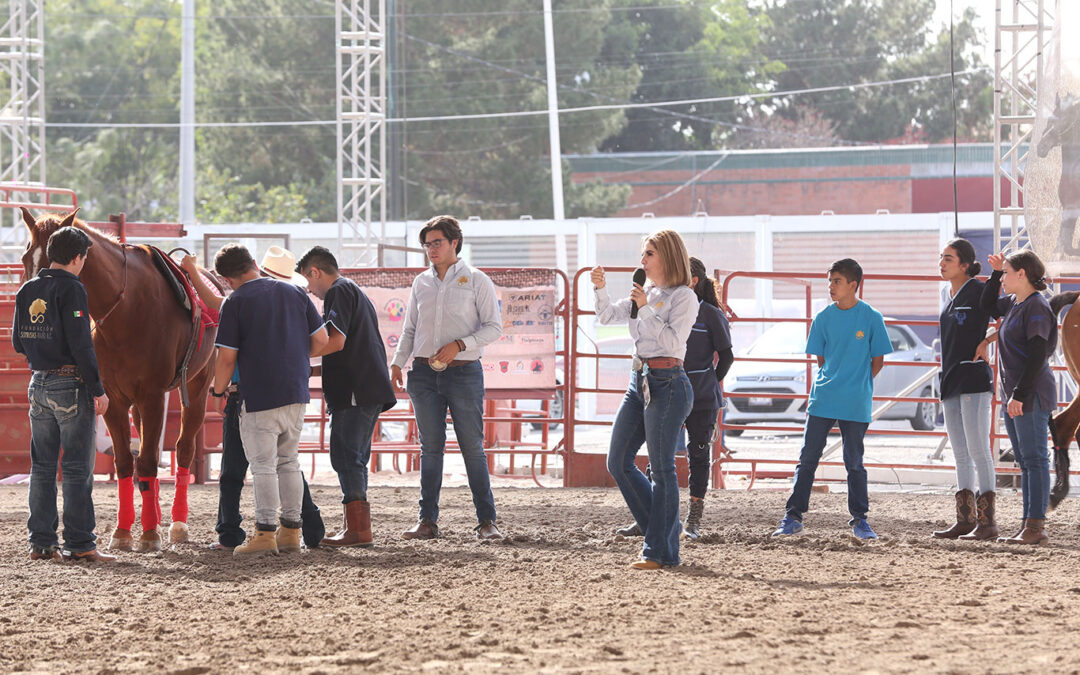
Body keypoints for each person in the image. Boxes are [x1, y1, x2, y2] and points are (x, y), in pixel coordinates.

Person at [181, 248, 326, 551]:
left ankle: (264, 534)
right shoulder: (296, 293)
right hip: (295, 392)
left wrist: (218, 391)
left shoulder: (237, 301)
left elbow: (226, 359)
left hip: (259, 395)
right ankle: (291, 532)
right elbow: (322, 340)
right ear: (256, 265)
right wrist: (289, 355)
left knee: (262, 466)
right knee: (288, 462)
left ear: (228, 279)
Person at [390, 215, 504, 541]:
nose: (431, 249)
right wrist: (398, 363)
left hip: (465, 371)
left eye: (437, 242)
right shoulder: (421, 282)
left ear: (455, 242)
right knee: (430, 449)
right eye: (427, 244)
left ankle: (487, 521)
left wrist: (460, 345)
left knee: (472, 448)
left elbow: (494, 328)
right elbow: (410, 328)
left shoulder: (477, 280)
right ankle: (426, 521)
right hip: (423, 372)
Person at [593, 229, 697, 570]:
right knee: (618, 460)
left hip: (668, 381)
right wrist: (600, 289)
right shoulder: (646, 292)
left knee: (662, 468)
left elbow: (671, 341)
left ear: (666, 256)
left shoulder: (684, 297)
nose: (642, 261)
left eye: (649, 254)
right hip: (641, 380)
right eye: (643, 254)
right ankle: (664, 529)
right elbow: (607, 315)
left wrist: (645, 308)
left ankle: (659, 550)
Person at [14, 226, 115, 562]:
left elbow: (18, 342)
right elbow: (81, 343)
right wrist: (98, 389)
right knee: (75, 468)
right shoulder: (73, 290)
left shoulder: (28, 289)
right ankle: (80, 543)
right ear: (77, 258)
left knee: (42, 467)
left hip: (37, 383)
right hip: (70, 385)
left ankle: (41, 543)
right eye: (84, 258)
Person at [771, 258, 891, 540]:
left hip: (856, 400)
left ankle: (860, 520)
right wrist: (837, 379)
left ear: (853, 285)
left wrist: (856, 383)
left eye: (836, 281)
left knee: (854, 461)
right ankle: (793, 516)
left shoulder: (872, 317)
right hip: (823, 397)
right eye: (829, 281)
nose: (830, 286)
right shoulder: (823, 318)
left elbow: (878, 361)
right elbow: (822, 359)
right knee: (807, 459)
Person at [615, 256, 733, 540]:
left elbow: (726, 355)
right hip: (664, 388)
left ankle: (693, 518)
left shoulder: (710, 314)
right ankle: (651, 517)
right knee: (657, 454)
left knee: (698, 454)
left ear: (693, 281)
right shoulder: (661, 305)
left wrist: (709, 380)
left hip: (700, 396)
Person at [296, 246, 397, 547]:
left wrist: (294, 354)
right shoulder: (350, 290)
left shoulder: (338, 291)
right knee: (351, 456)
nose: (310, 291)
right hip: (362, 387)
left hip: (356, 389)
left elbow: (335, 342)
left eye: (309, 282)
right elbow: (342, 346)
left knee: (346, 456)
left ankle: (357, 529)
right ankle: (355, 526)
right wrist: (308, 367)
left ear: (315, 272)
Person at [979, 250, 1057, 545]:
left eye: (1008, 273)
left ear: (1022, 274)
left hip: (1030, 393)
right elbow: (986, 304)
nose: (1004, 280)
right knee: (1026, 460)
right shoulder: (1015, 302)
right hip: (1017, 393)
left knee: (1035, 458)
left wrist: (1019, 395)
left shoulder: (1036, 306)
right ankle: (1029, 524)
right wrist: (997, 272)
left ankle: (1036, 527)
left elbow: (1038, 354)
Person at [932, 239, 997, 540]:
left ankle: (987, 523)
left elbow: (1008, 315)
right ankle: (965, 519)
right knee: (960, 453)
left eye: (948, 258)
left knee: (978, 449)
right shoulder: (947, 294)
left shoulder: (981, 289)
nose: (942, 263)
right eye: (941, 258)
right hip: (950, 381)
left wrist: (987, 341)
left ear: (965, 265)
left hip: (973, 378)